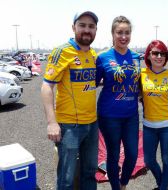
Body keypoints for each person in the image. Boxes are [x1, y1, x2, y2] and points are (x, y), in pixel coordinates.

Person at [41, 11, 99, 190]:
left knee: (90, 173)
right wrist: (52, 122)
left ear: (96, 30)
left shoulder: (94, 55)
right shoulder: (62, 51)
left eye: (91, 26)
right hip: (69, 126)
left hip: (92, 124)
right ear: (74, 27)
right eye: (82, 25)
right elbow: (46, 87)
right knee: (66, 177)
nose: (87, 30)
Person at [96, 15, 141, 190]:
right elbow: (92, 83)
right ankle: (117, 187)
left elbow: (140, 82)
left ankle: (123, 183)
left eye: (127, 33)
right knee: (113, 155)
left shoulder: (136, 57)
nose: (123, 37)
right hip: (109, 115)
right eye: (119, 32)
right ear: (112, 34)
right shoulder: (103, 57)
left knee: (132, 154)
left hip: (131, 114)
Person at [140, 40, 168, 190]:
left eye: (163, 53)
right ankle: (162, 184)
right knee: (149, 160)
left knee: (166, 159)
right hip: (149, 126)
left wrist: (164, 101)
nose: (159, 56)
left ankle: (163, 188)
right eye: (155, 53)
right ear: (148, 55)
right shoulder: (141, 74)